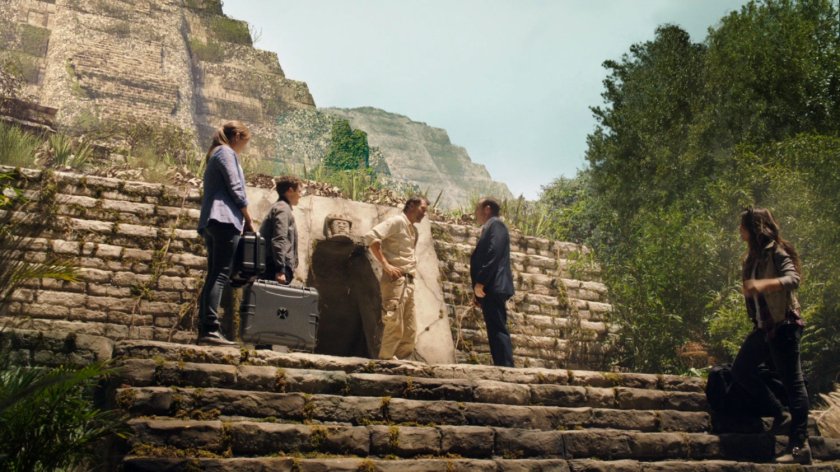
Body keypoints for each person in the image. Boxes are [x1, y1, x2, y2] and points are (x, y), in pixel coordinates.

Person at [730, 207, 810, 465]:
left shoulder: (777, 252)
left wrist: (763, 285)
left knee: (794, 384)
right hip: (765, 327)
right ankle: (780, 413)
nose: (738, 231)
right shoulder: (751, 258)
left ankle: (800, 447)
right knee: (740, 369)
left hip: (784, 324)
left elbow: (793, 279)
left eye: (742, 226)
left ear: (753, 229)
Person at [196, 121, 254, 346]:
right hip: (224, 218)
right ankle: (210, 328)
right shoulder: (226, 153)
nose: (244, 148)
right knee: (220, 274)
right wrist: (248, 217)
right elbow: (235, 187)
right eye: (244, 142)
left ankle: (206, 328)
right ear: (237, 136)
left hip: (213, 219)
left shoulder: (216, 153)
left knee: (214, 274)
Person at [364, 196, 429, 360]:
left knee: (410, 331)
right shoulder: (397, 221)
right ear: (412, 205)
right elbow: (371, 237)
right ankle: (385, 362)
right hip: (395, 281)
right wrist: (386, 265)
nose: (424, 214)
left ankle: (398, 365)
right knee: (394, 324)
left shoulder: (413, 230)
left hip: (409, 281)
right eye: (422, 209)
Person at [470, 197, 515, 367]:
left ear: (487, 209)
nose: (476, 214)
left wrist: (481, 282)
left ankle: (506, 367)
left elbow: (493, 253)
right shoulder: (491, 226)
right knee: (494, 328)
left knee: (497, 327)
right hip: (490, 287)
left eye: (477, 209)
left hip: (493, 286)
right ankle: (502, 365)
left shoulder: (496, 225)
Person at [260, 176, 302, 285]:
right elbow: (279, 238)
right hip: (274, 268)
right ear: (290, 190)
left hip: (274, 265)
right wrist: (280, 269)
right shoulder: (282, 209)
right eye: (299, 191)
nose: (300, 195)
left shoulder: (281, 207)